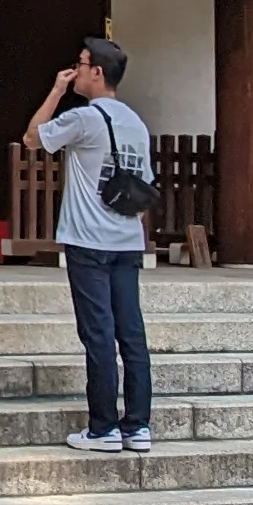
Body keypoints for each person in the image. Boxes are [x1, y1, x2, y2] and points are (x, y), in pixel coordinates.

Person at [32, 36, 154, 450]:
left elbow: (34, 138)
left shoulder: (84, 119)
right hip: (127, 238)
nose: (76, 69)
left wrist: (55, 91)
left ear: (97, 72)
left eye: (81, 64)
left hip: (87, 238)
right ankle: (137, 425)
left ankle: (103, 427)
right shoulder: (136, 123)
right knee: (131, 333)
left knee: (98, 333)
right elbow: (147, 186)